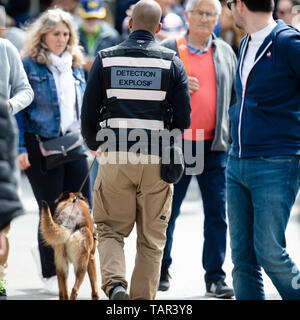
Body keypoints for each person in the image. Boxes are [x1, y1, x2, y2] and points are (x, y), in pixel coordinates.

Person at [81, 0, 191, 300]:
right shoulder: (172, 61)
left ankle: (116, 285)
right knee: (152, 240)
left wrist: (95, 145)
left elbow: (88, 113)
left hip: (115, 156)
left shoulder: (106, 59)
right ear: (158, 28)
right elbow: (183, 120)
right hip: (157, 158)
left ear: (130, 24)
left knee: (109, 228)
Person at [157, 0, 236, 298]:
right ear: (187, 16)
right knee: (167, 212)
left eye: (210, 14)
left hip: (214, 146)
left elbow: (233, 98)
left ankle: (215, 278)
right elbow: (151, 97)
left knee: (217, 213)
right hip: (179, 146)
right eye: (199, 12)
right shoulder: (168, 49)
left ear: (218, 18)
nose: (205, 18)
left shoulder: (225, 52)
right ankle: (160, 269)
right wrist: (175, 90)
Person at [14, 8, 91, 296]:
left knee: (80, 207)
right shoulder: (29, 66)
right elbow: (18, 111)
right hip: (39, 144)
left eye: (65, 34)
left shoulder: (75, 65)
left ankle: (70, 263)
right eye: (55, 33)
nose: (61, 39)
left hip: (72, 143)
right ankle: (50, 270)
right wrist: (20, 148)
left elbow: (81, 108)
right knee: (50, 210)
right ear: (43, 35)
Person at [226, 0, 300, 299]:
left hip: (276, 161)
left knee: (269, 252)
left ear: (239, 5)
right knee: (242, 259)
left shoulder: (288, 41)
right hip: (237, 161)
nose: (228, 11)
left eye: (228, 4)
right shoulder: (245, 43)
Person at [0, 38, 34, 299]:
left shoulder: (5, 49)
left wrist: (8, 106)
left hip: (2, 139)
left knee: (2, 220)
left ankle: (0, 278)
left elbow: (26, 90)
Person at [78, 0, 120, 76]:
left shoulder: (112, 35)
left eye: (95, 17)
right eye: (88, 17)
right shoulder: (72, 34)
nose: (92, 21)